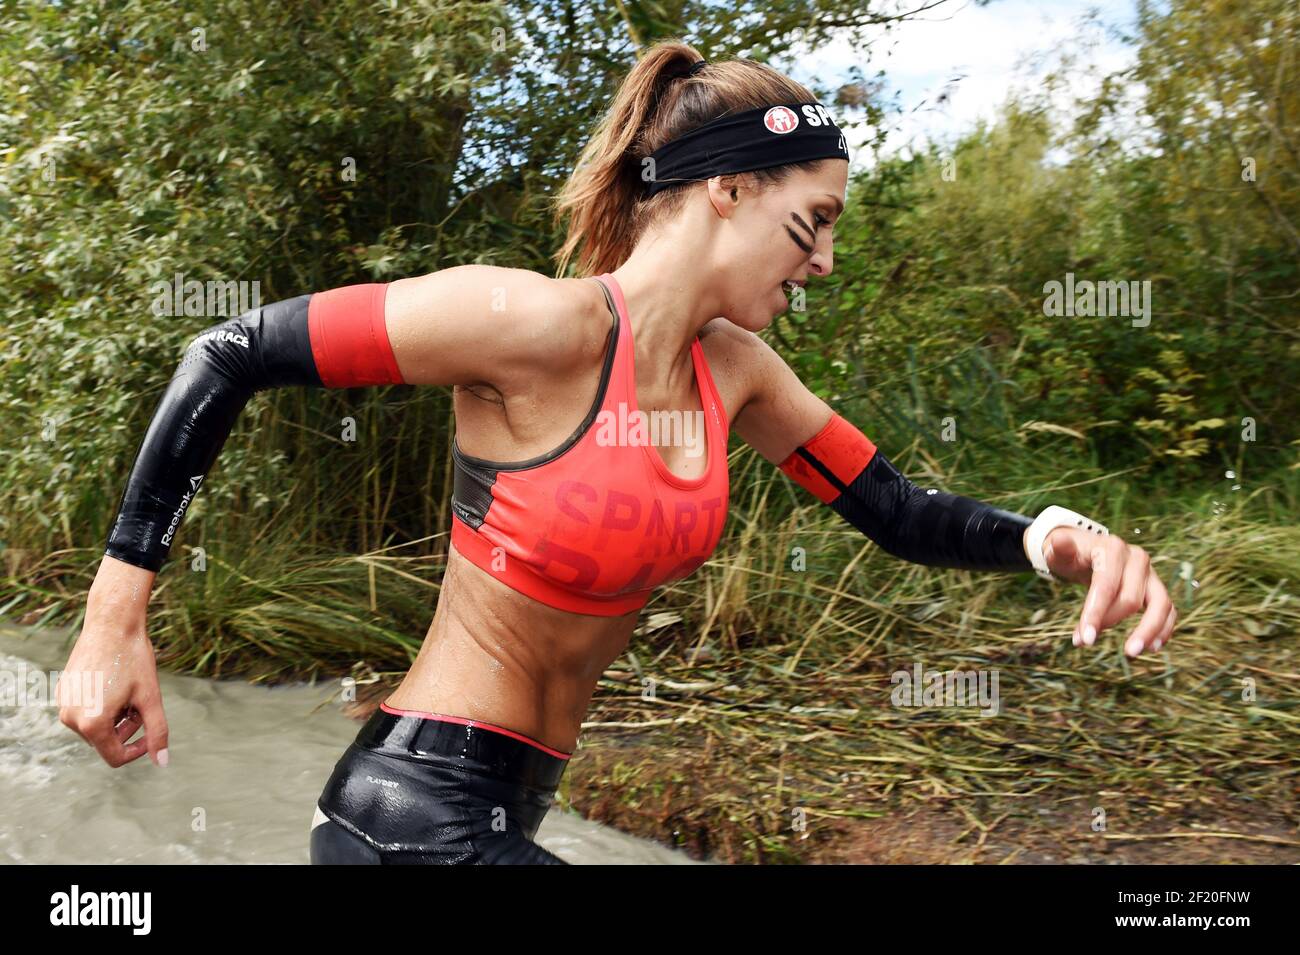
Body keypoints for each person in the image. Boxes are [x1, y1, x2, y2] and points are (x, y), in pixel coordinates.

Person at [58, 43, 1178, 865]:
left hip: (514, 809)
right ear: (728, 188)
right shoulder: (533, 326)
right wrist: (115, 620)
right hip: (413, 806)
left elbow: (894, 509)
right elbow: (233, 349)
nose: (826, 260)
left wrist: (1049, 538)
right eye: (816, 220)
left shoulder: (733, 371)